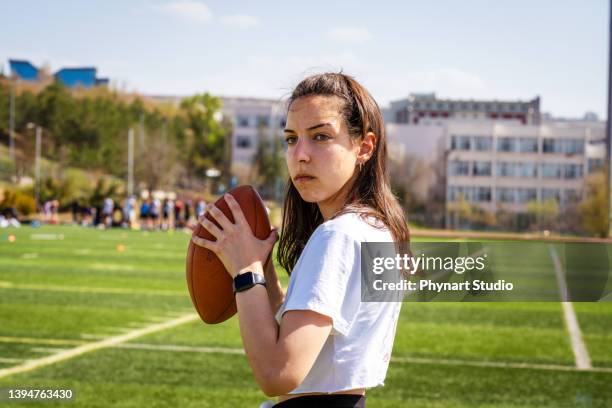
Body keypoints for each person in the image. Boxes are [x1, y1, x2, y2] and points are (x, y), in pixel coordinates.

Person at [192, 73, 410, 407]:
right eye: (291, 139)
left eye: (321, 136)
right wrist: (263, 268)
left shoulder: (338, 234)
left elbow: (278, 373)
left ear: (364, 146)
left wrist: (245, 272)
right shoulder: (375, 228)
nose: (301, 154)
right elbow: (307, 334)